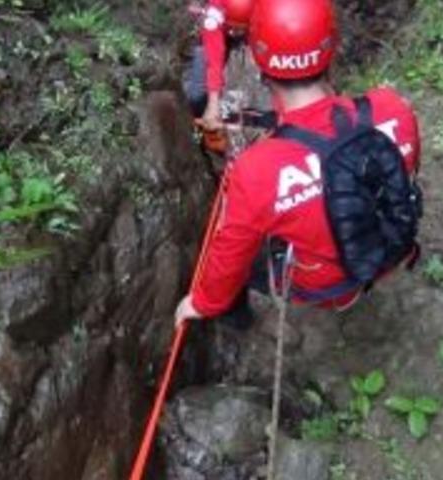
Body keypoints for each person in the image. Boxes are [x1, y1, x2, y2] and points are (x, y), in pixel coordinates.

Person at [174, 0, 422, 326]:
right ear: (331, 45)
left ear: (258, 57)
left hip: (326, 287)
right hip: (390, 249)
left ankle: (238, 320)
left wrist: (203, 303)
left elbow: (228, 260)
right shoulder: (394, 109)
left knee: (234, 250)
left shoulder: (255, 171)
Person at [183, 0, 255, 132]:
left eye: (238, 29)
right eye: (233, 29)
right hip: (216, 26)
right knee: (196, 96)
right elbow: (214, 61)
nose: (234, 33)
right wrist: (213, 103)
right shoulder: (213, 16)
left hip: (253, 23)